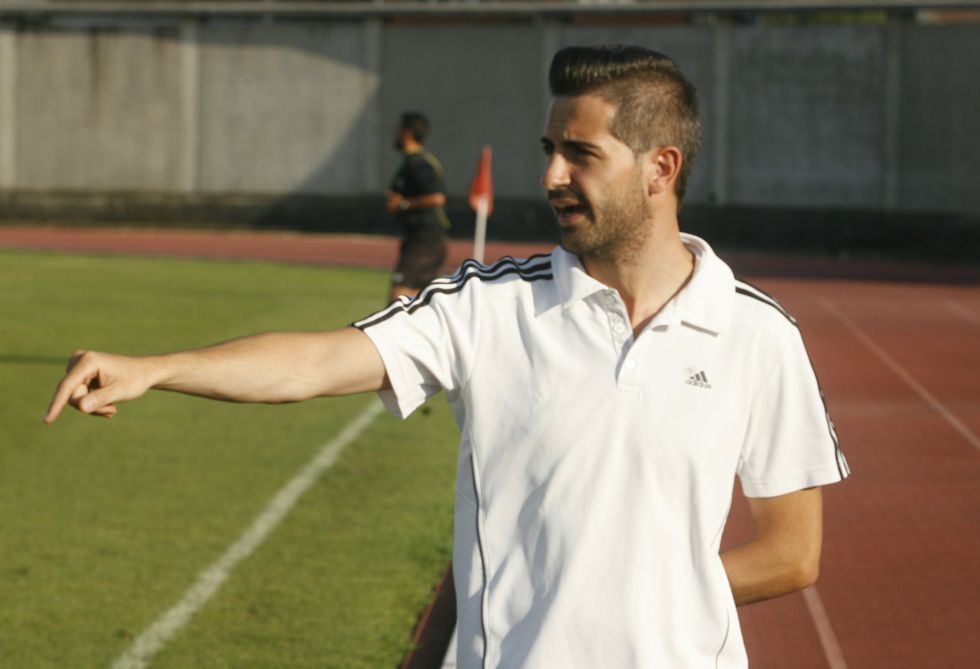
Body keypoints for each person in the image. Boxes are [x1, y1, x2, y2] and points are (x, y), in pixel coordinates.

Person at [45, 45, 849, 668]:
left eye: (581, 154)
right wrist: (158, 367)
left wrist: (652, 595)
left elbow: (792, 551)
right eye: (550, 149)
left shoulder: (758, 334)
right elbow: (315, 363)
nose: (552, 175)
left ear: (660, 169)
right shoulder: (488, 304)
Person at [386, 111, 452, 303]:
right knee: (419, 301)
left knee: (398, 301)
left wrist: (404, 203)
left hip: (426, 240)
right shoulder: (412, 162)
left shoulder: (418, 164)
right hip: (421, 239)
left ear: (406, 133)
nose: (395, 134)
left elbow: (437, 198)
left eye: (398, 130)